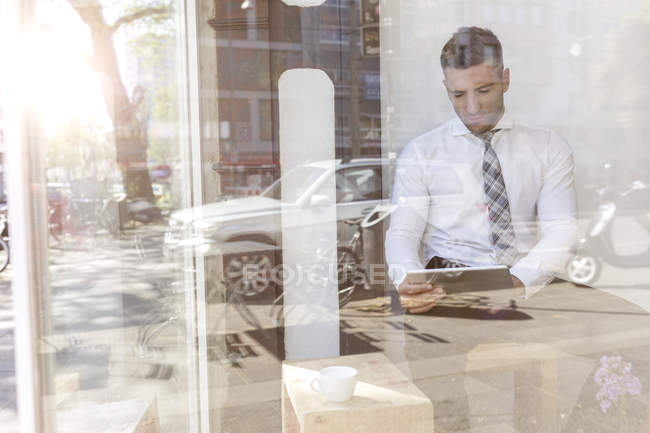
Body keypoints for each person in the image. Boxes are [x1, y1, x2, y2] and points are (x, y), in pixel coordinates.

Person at [385, 27, 579, 314]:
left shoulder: (548, 146)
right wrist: (408, 279)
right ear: (446, 88)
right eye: (459, 94)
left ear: (506, 79)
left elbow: (562, 228)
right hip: (446, 286)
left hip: (526, 281)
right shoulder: (420, 153)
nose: (472, 106)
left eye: (484, 90)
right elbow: (402, 232)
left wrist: (518, 282)